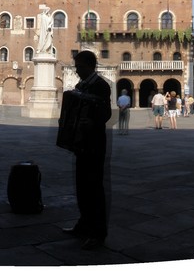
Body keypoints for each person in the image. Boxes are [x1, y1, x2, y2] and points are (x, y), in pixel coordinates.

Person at [57, 51, 111, 250]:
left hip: (95, 143)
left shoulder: (101, 85)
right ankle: (83, 224)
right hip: (81, 143)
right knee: (82, 186)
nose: (77, 70)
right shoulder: (80, 86)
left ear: (90, 65)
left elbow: (105, 113)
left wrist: (92, 121)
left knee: (94, 188)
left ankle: (98, 233)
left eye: (79, 66)